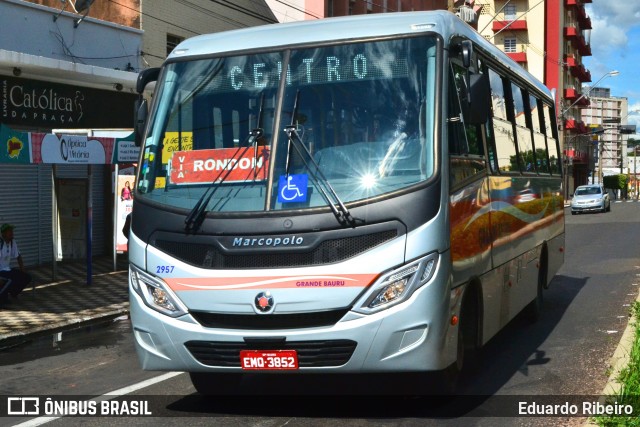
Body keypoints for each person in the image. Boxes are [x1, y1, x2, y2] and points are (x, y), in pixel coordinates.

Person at [0, 223, 32, 306]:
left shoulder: (12, 242)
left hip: (7, 269)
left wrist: (22, 269)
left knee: (26, 277)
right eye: (9, 231)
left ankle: (13, 292)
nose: (11, 233)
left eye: (12, 231)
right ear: (3, 234)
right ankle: (3, 300)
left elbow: (18, 256)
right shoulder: (0, 243)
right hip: (1, 271)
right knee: (10, 279)